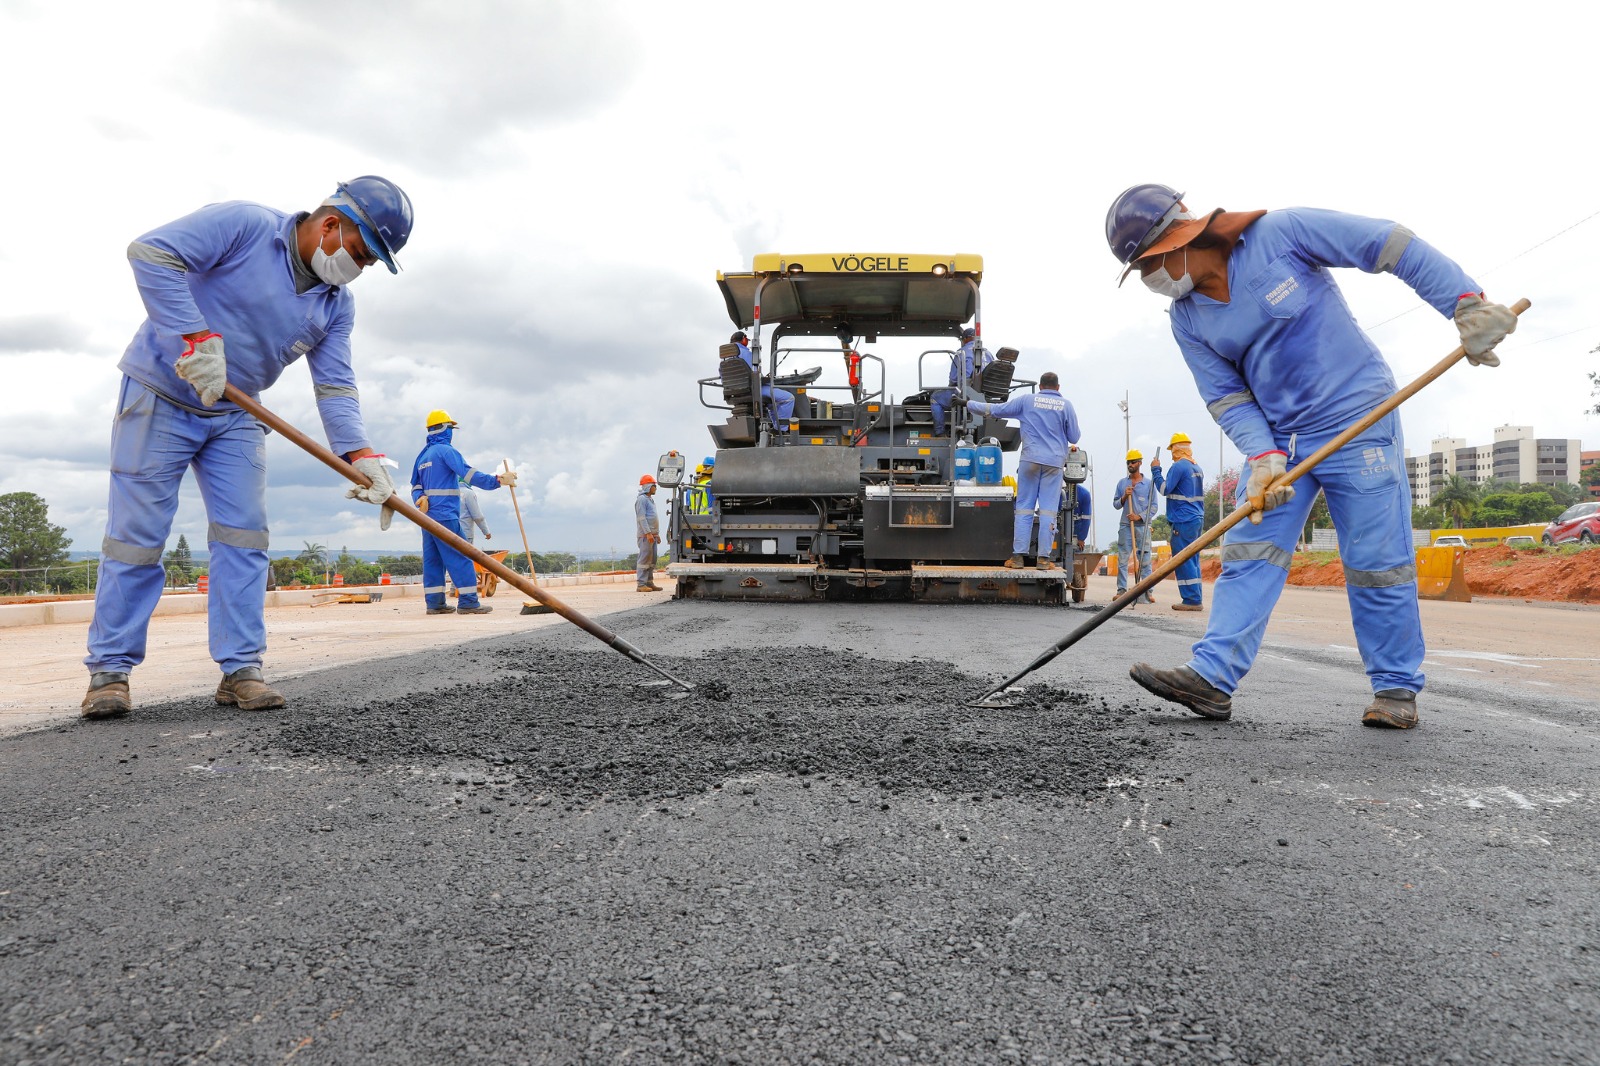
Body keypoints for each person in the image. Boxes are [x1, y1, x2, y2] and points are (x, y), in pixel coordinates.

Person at [1106, 183, 1517, 728]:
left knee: (1376, 559)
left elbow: (1388, 244)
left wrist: (1465, 303)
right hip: (1283, 441)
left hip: (1358, 420)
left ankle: (1395, 689)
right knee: (1250, 548)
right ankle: (1212, 679)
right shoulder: (1187, 318)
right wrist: (1264, 456)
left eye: (1147, 266)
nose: (1149, 281)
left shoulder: (1281, 233)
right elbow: (1226, 397)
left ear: (1179, 240)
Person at [80, 176, 413, 720]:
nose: (362, 269)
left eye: (373, 263)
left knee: (244, 537)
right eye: (361, 253)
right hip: (161, 391)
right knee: (136, 539)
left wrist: (360, 456)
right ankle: (110, 673)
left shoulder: (335, 305)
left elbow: (335, 385)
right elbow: (151, 252)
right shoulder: (245, 226)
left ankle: (240, 670)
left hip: (237, 411)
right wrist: (194, 338)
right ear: (331, 224)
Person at [966, 371, 1080, 569]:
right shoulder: (1066, 405)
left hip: (1030, 460)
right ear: (1058, 388)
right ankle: (1044, 559)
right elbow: (1074, 437)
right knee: (1047, 512)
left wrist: (967, 404)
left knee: (1024, 508)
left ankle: (1018, 558)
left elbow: (994, 410)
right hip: (1053, 463)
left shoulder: (1027, 401)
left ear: (1040, 386)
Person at [410, 410, 514, 616]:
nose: (451, 432)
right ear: (444, 429)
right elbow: (469, 475)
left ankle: (435, 603)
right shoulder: (446, 451)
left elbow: (415, 485)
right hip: (445, 514)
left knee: (433, 560)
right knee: (460, 555)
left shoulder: (422, 456)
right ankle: (468, 601)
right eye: (450, 428)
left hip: (426, 517)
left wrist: (418, 498)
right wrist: (498, 480)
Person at [1152, 432, 1205, 611]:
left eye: (1172, 450)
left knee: (1183, 559)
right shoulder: (1196, 468)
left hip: (1183, 519)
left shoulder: (1179, 467)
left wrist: (1156, 470)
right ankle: (1195, 597)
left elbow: (1164, 489)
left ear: (1176, 449)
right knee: (1193, 559)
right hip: (1196, 518)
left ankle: (1191, 600)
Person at [930, 326, 993, 437]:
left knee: (935, 398)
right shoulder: (988, 353)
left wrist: (950, 387)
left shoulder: (961, 353)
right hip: (986, 395)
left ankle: (940, 433)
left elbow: (954, 379)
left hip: (966, 393)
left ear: (965, 339)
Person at [1114, 450, 1159, 601]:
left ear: (1140, 463)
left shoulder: (1148, 484)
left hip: (1143, 526)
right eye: (1128, 462)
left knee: (1145, 560)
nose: (1130, 465)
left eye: (1133, 462)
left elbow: (1154, 507)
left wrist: (1139, 516)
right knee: (1123, 559)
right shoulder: (1122, 483)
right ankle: (1121, 591)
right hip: (1126, 525)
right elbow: (1115, 505)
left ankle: (1147, 591)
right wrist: (1124, 497)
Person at [730, 330, 794, 430]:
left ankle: (775, 427)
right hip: (752, 390)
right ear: (744, 339)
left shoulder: (726, 359)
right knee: (788, 398)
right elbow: (754, 373)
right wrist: (765, 379)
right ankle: (781, 430)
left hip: (735, 391)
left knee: (772, 401)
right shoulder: (746, 353)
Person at [636, 475, 662, 591]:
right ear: (648, 486)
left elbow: (652, 518)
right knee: (644, 560)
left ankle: (649, 582)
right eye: (654, 486)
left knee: (652, 560)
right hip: (645, 536)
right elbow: (642, 518)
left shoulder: (649, 500)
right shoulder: (641, 500)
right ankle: (641, 584)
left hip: (652, 535)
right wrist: (648, 533)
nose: (655, 488)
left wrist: (656, 534)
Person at [459, 478, 492, 545]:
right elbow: (477, 516)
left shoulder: (449, 492)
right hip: (465, 533)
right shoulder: (468, 493)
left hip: (449, 533)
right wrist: (486, 532)